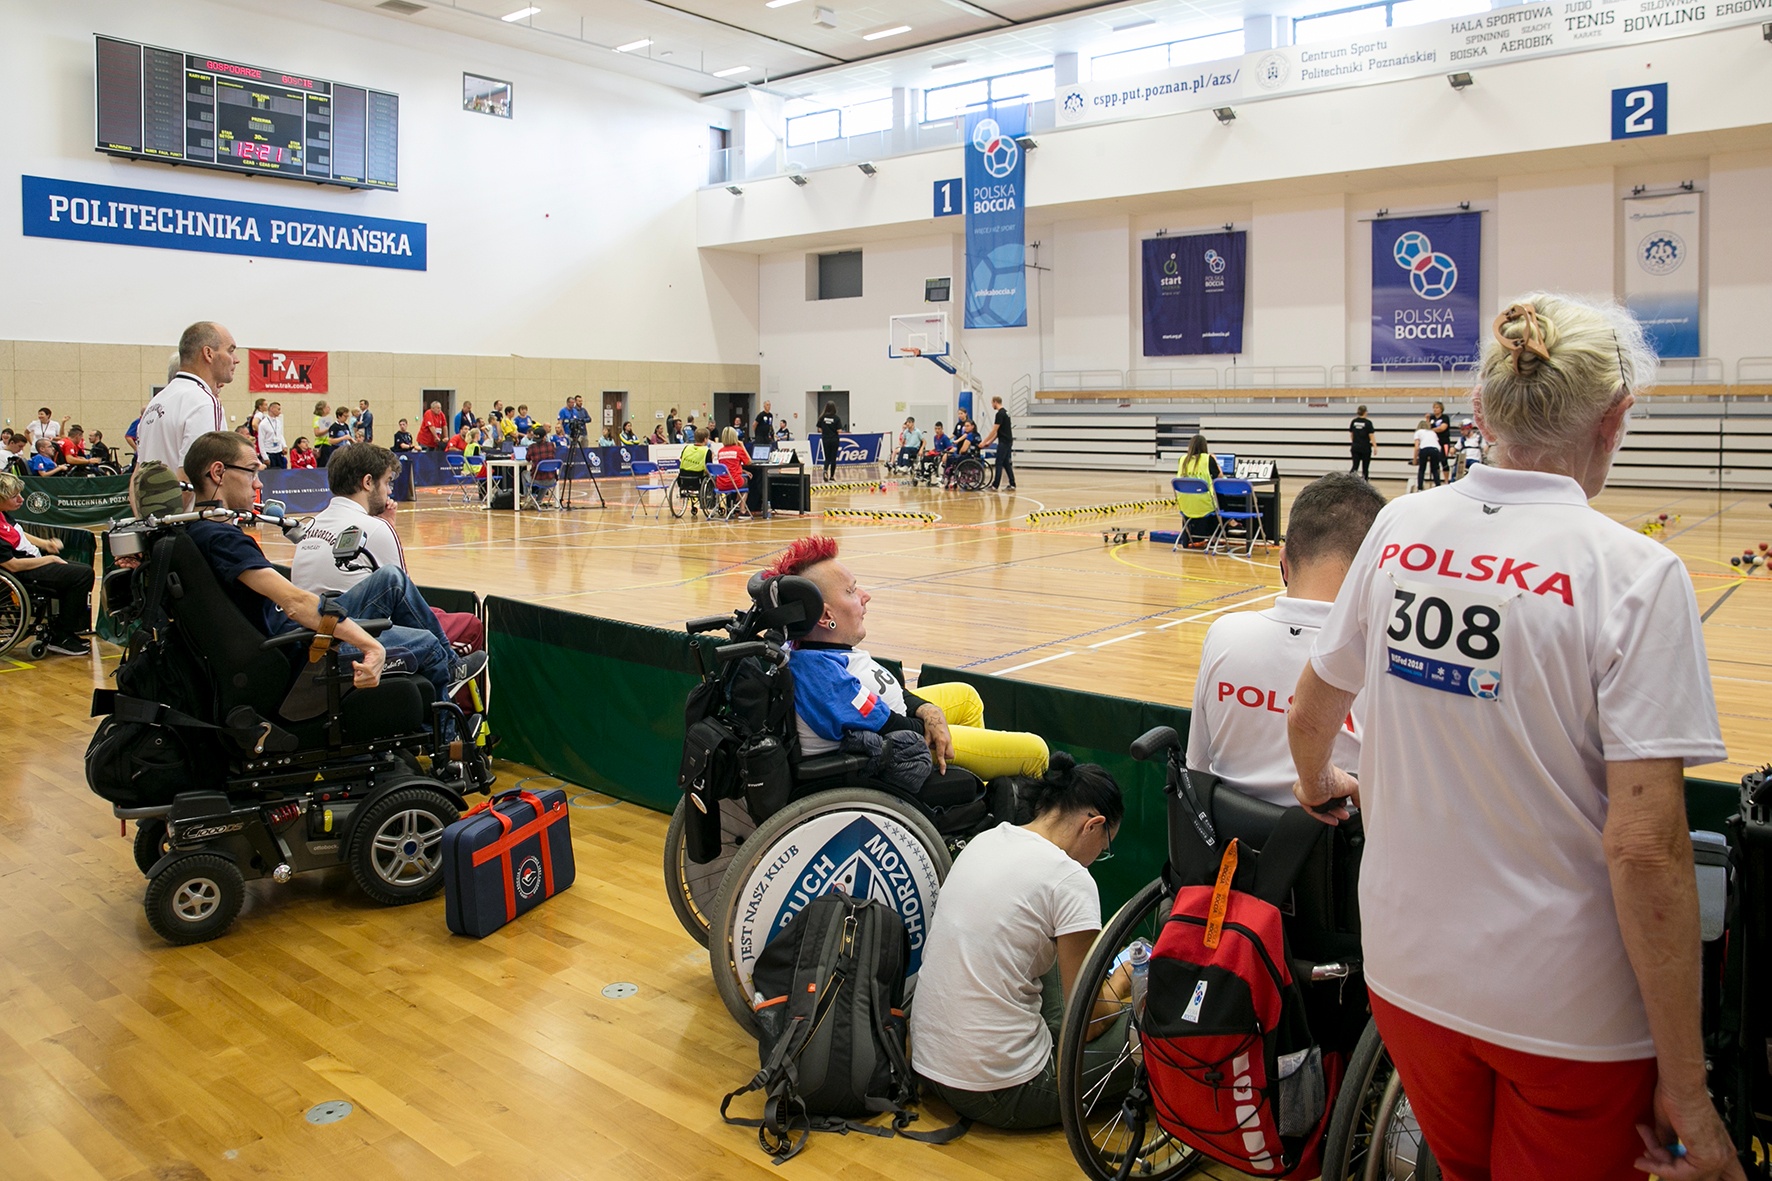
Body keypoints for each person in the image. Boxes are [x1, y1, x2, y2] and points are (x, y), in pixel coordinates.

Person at [1288, 295, 1743, 1181]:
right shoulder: (1637, 575)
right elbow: (1647, 846)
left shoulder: (1398, 527)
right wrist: (1688, 1085)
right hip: (1566, 1013)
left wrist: (1316, 784)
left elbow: (1310, 712)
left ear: (1482, 414)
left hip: (1410, 978)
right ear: (1616, 418)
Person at [180, 431, 484, 708]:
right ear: (218, 472)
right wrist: (370, 645)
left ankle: (449, 667)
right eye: (252, 472)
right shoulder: (224, 540)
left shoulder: (196, 532)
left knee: (392, 580)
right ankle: (448, 743)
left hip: (291, 638)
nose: (259, 484)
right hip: (304, 648)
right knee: (426, 643)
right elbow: (297, 603)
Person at [910, 754, 1122, 1130]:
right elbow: (1086, 1023)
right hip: (1003, 1091)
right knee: (1144, 1035)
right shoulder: (1071, 880)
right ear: (1094, 825)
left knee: (1049, 949)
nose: (1097, 858)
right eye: (1104, 849)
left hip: (928, 1068)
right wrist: (1126, 983)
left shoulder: (987, 839)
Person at [769, 536, 1047, 779]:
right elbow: (891, 724)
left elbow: (889, 695)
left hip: (896, 722)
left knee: (965, 696)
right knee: (1035, 752)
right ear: (825, 615)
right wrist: (932, 722)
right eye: (851, 591)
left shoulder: (820, 652)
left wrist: (929, 709)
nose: (866, 596)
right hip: (895, 748)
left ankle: (969, 791)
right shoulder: (825, 680)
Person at [1187, 473, 1384, 807]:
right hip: (1338, 852)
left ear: (1284, 563)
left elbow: (1198, 768)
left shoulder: (1224, 633)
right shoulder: (1382, 662)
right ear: (1373, 572)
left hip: (1225, 851)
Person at [0, 471, 95, 656]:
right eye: (14, 496)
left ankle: (64, 629)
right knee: (81, 575)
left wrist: (45, 544)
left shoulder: (4, 515)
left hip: (31, 559)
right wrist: (49, 559)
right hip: (21, 572)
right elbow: (12, 565)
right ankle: (61, 635)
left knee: (80, 571)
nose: (21, 499)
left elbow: (19, 533)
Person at [136, 321, 233, 481]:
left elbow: (136, 476)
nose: (235, 360)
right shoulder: (204, 402)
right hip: (186, 506)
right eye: (230, 351)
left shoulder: (156, 402)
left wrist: (144, 507)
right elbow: (192, 479)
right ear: (209, 354)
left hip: (153, 505)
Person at [1174, 434, 1222, 544]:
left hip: (1185, 505)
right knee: (1220, 500)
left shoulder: (1182, 460)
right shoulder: (1207, 459)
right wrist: (1215, 460)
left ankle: (1189, 539)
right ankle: (1218, 535)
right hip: (1204, 504)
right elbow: (1220, 477)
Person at [711, 427, 751, 516]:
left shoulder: (720, 451)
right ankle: (742, 509)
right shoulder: (738, 449)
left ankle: (734, 503)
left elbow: (727, 467)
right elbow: (749, 461)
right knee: (745, 482)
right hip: (734, 482)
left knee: (739, 479)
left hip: (721, 483)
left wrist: (742, 470)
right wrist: (742, 446)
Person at [980, 395, 1017, 491]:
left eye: (992, 403)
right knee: (1005, 463)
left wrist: (984, 442)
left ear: (995, 402)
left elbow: (994, 430)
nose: (992, 405)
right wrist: (990, 442)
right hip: (1008, 441)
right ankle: (1012, 484)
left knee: (998, 463)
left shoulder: (1000, 414)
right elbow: (999, 431)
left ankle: (995, 485)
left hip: (1004, 442)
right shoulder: (1006, 413)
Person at [676, 427, 711, 499]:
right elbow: (709, 468)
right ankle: (711, 502)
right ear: (705, 439)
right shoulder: (706, 450)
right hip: (698, 479)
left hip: (683, 477)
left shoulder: (687, 447)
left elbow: (681, 458)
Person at [1411, 417, 1445, 490]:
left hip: (1424, 449)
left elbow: (1417, 447)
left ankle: (1420, 487)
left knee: (1422, 469)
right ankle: (1438, 486)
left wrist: (1414, 460)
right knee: (1435, 469)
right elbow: (1435, 443)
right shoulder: (1432, 432)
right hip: (1436, 449)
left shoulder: (1418, 432)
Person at [816, 401, 843, 481]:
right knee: (833, 459)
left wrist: (826, 430)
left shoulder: (822, 418)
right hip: (834, 440)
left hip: (825, 439)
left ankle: (825, 470)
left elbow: (819, 429)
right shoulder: (836, 418)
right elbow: (839, 431)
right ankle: (831, 476)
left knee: (827, 458)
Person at [1348, 404, 1376, 480]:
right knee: (1365, 467)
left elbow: (1351, 434)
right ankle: (1365, 483)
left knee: (1355, 466)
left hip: (1355, 447)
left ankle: (1348, 481)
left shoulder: (1354, 421)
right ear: (1365, 412)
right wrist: (1375, 447)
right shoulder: (1368, 423)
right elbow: (1371, 436)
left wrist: (1355, 442)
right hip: (1365, 448)